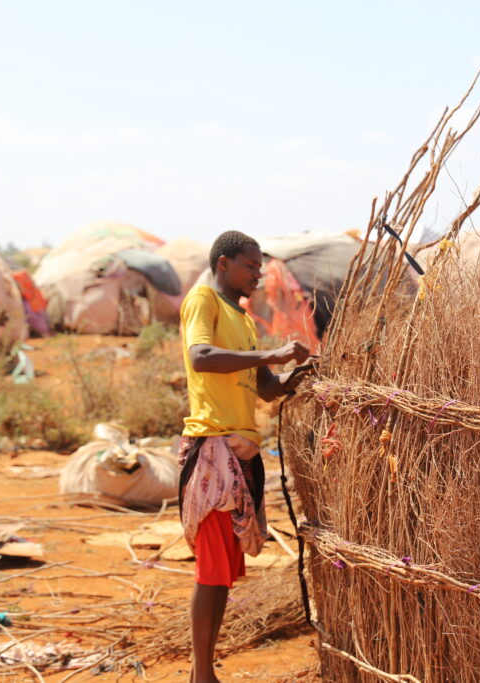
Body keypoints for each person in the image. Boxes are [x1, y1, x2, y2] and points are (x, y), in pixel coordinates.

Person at [178, 230, 311, 683]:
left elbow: (266, 388)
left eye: (259, 268)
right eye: (250, 267)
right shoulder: (203, 301)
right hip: (213, 449)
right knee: (211, 571)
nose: (258, 275)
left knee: (222, 575)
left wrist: (297, 373)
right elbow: (201, 356)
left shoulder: (243, 317)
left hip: (242, 452)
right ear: (223, 264)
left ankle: (203, 673)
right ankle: (202, 675)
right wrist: (271, 351)